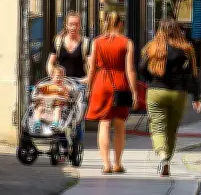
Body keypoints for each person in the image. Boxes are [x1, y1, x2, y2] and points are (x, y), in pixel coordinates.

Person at [139, 19, 201, 176]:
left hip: (156, 92)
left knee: (157, 127)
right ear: (178, 31)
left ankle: (163, 157)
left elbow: (141, 68)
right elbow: (191, 75)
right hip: (178, 93)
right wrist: (196, 97)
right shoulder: (187, 49)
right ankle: (167, 158)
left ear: (159, 31)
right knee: (172, 129)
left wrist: (150, 79)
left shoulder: (152, 48)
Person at [85, 11, 138, 174]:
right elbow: (130, 69)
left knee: (104, 123)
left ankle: (106, 164)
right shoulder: (127, 42)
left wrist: (89, 86)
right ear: (120, 23)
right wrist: (134, 91)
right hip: (120, 83)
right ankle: (117, 163)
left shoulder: (96, 42)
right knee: (120, 124)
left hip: (101, 82)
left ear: (105, 23)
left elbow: (92, 68)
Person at [46, 11, 91, 141]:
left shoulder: (85, 43)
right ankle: (62, 144)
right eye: (71, 24)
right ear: (66, 25)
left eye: (76, 24)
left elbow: (92, 66)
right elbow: (50, 62)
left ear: (80, 26)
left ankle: (77, 146)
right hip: (62, 82)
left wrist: (87, 80)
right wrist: (53, 75)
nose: (73, 27)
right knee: (59, 112)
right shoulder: (58, 42)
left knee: (76, 119)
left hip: (78, 83)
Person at [31, 66, 71, 132]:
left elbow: (66, 98)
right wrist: (37, 89)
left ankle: (55, 123)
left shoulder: (64, 88)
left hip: (56, 105)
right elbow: (38, 89)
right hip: (45, 104)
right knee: (38, 109)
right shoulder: (47, 86)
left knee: (57, 110)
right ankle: (37, 123)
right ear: (52, 76)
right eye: (57, 76)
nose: (59, 79)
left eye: (62, 77)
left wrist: (63, 98)